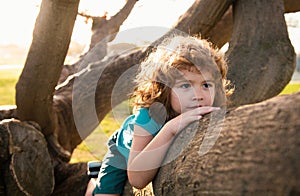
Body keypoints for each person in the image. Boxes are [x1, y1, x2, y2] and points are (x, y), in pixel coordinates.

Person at [85, 35, 233, 196]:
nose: (198, 95)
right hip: (123, 149)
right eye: (185, 85)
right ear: (164, 88)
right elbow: (137, 180)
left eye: (206, 85)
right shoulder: (148, 117)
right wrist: (170, 129)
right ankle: (94, 181)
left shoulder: (209, 110)